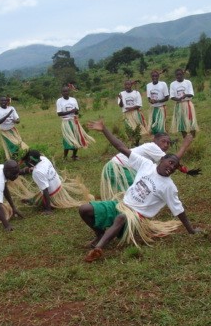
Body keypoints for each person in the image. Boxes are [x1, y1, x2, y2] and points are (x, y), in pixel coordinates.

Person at [80, 119, 200, 262]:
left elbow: (179, 210)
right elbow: (121, 147)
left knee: (121, 218)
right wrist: (104, 129)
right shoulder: (146, 164)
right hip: (122, 205)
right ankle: (100, 234)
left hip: (136, 217)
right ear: (161, 160)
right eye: (170, 163)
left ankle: (98, 249)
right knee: (84, 209)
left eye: (175, 167)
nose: (172, 167)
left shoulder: (169, 187)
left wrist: (191, 230)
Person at [99, 132, 196, 200]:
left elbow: (171, 163)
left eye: (168, 143)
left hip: (117, 167)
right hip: (117, 167)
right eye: (163, 141)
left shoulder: (153, 151)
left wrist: (184, 169)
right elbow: (173, 160)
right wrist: (185, 145)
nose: (166, 145)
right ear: (154, 140)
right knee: (139, 189)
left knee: (136, 191)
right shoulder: (153, 147)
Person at [20, 149, 93, 213]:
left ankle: (41, 203)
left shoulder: (37, 172)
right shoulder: (43, 159)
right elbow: (39, 169)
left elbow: (45, 190)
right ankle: (33, 200)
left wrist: (48, 209)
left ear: (30, 161)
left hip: (52, 195)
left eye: (26, 162)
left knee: (41, 196)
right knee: (41, 191)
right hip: (59, 187)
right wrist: (23, 171)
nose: (26, 164)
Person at [56, 85, 94, 160]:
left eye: (67, 91)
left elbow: (76, 112)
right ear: (61, 93)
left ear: (69, 92)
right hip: (66, 122)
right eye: (64, 91)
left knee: (77, 137)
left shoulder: (73, 100)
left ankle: (74, 156)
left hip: (74, 121)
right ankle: (65, 157)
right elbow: (59, 113)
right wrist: (71, 111)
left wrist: (76, 111)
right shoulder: (59, 101)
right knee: (67, 139)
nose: (65, 93)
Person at [118, 80, 149, 145]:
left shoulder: (136, 93)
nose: (127, 86)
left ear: (131, 85)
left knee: (137, 129)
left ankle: (138, 141)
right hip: (126, 114)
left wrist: (130, 108)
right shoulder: (121, 94)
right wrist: (121, 99)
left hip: (135, 113)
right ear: (124, 86)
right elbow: (121, 105)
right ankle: (133, 143)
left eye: (129, 84)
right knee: (129, 128)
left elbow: (139, 105)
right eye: (126, 85)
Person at [169, 68, 199, 138]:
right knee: (181, 123)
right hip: (179, 105)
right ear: (175, 76)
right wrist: (178, 99)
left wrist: (185, 95)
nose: (179, 76)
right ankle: (185, 138)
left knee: (191, 121)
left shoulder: (188, 82)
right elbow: (172, 96)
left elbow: (191, 94)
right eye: (177, 75)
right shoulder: (172, 84)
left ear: (183, 74)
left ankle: (192, 137)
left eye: (180, 74)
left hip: (187, 104)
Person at [146, 69, 170, 135]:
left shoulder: (163, 84)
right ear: (151, 77)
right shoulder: (148, 85)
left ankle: (163, 138)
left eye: (156, 76)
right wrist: (151, 101)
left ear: (158, 76)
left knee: (160, 127)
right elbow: (149, 98)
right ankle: (156, 139)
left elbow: (167, 97)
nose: (154, 77)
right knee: (154, 127)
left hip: (160, 108)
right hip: (153, 109)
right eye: (153, 76)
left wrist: (158, 101)